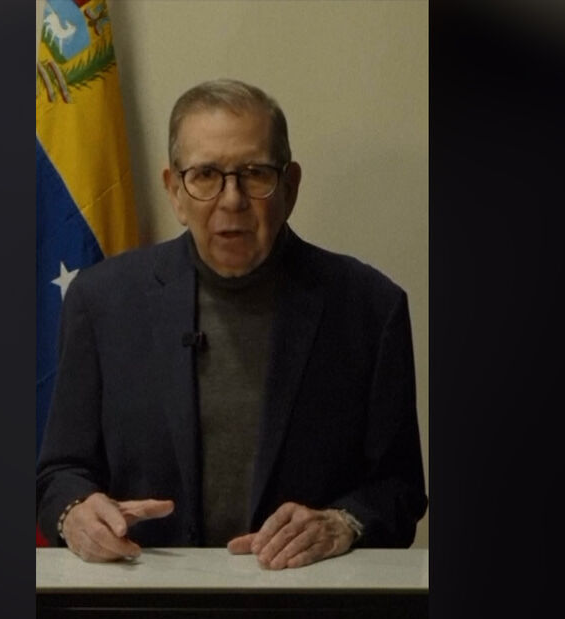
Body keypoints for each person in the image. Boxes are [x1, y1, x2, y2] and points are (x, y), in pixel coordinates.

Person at [37, 79, 426, 569]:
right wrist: (75, 514)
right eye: (205, 175)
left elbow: (400, 490)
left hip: (308, 604)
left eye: (254, 173)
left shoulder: (370, 308)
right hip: (144, 600)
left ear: (290, 186)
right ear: (174, 191)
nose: (232, 199)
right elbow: (59, 474)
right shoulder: (101, 303)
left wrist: (343, 522)